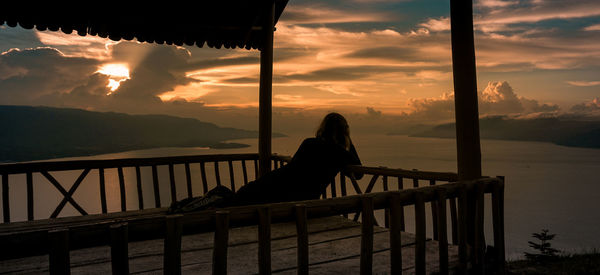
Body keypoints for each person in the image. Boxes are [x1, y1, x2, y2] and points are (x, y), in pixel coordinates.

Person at [168, 112, 362, 213]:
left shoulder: (309, 143)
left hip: (275, 184)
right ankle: (191, 206)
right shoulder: (339, 153)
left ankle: (187, 206)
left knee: (234, 199)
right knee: (231, 201)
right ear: (344, 132)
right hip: (288, 196)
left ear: (323, 128)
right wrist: (348, 140)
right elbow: (358, 171)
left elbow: (297, 166)